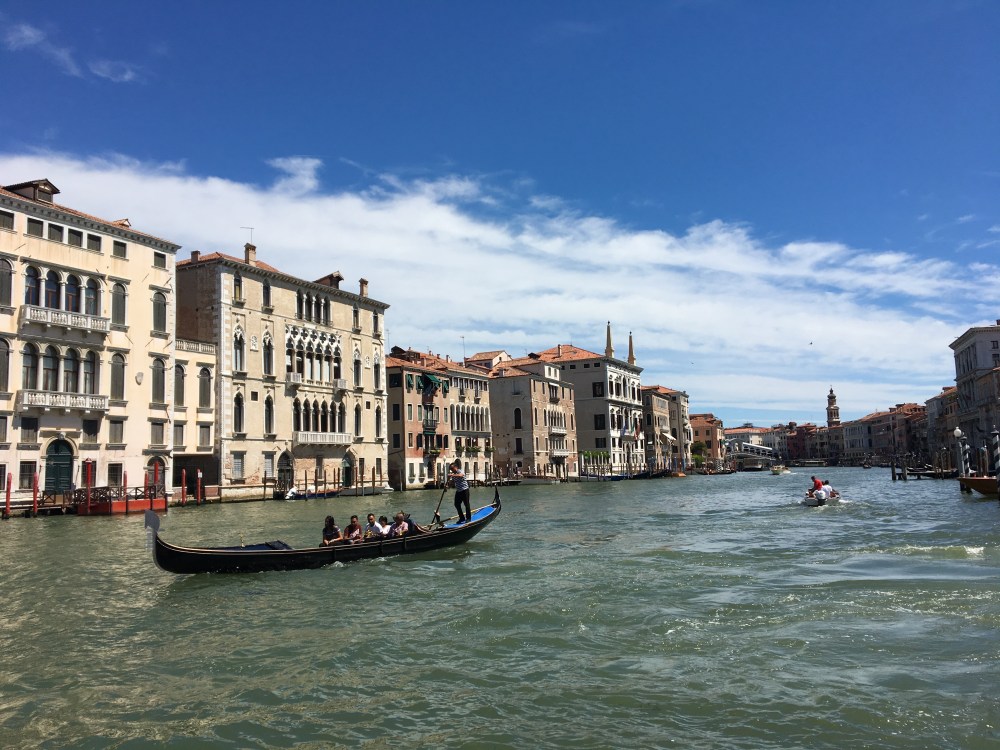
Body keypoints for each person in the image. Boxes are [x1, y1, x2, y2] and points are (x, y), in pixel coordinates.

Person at [449, 459, 471, 524]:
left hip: (465, 490)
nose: (452, 470)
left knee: (466, 504)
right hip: (458, 491)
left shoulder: (460, 471)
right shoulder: (454, 474)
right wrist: (448, 486)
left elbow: (461, 475)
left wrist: (452, 475)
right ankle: (462, 518)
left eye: (452, 469)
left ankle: (468, 518)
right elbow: (453, 482)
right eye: (451, 469)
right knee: (456, 504)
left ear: (456, 467)